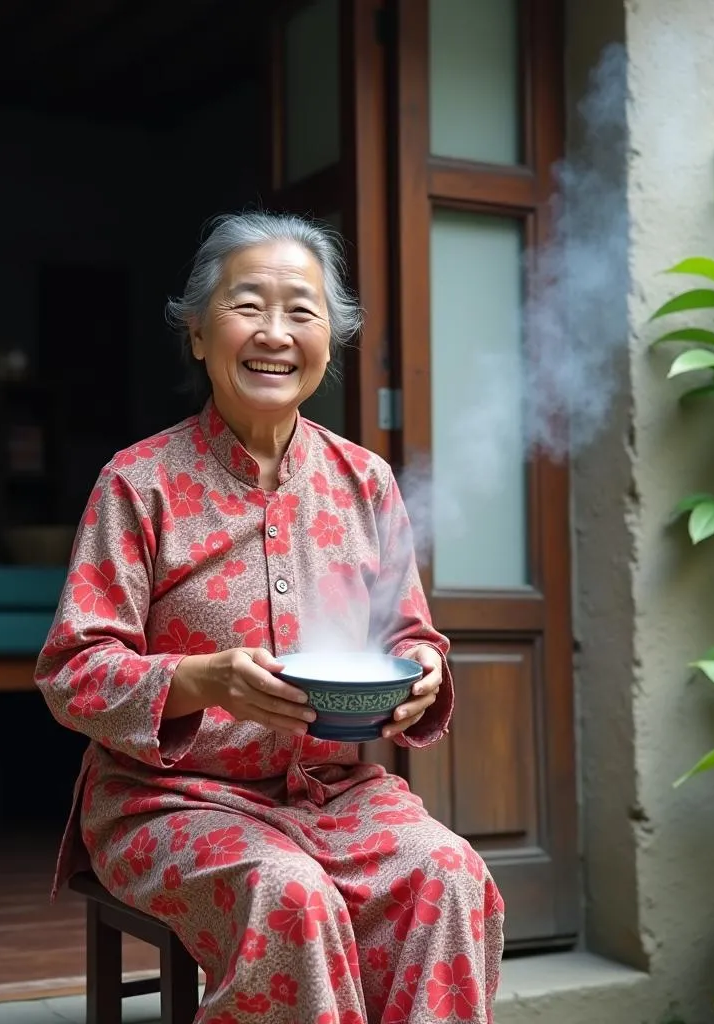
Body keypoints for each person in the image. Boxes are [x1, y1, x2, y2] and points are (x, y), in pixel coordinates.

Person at [35, 211, 504, 1023]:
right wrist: (201, 680)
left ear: (331, 341)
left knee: (450, 874)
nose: (275, 333)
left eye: (302, 311)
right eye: (248, 305)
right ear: (197, 335)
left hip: (336, 791)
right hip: (170, 800)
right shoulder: (137, 483)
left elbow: (409, 634)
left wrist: (424, 670)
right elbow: (73, 671)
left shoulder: (366, 481)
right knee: (290, 896)